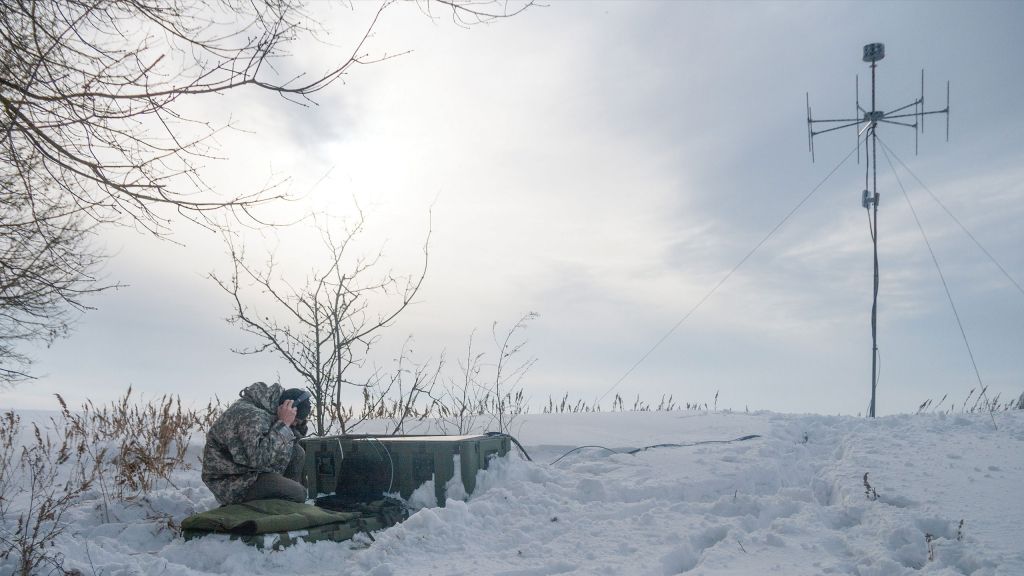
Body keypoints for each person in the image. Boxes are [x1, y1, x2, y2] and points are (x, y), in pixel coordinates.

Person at [202, 382, 312, 505]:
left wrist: (290, 426)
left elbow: (286, 446)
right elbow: (259, 460)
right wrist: (283, 424)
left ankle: (282, 505)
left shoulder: (269, 409)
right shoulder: (251, 416)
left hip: (249, 472)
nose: (294, 424)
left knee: (297, 453)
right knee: (298, 493)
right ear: (288, 406)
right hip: (232, 480)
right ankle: (275, 510)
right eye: (295, 421)